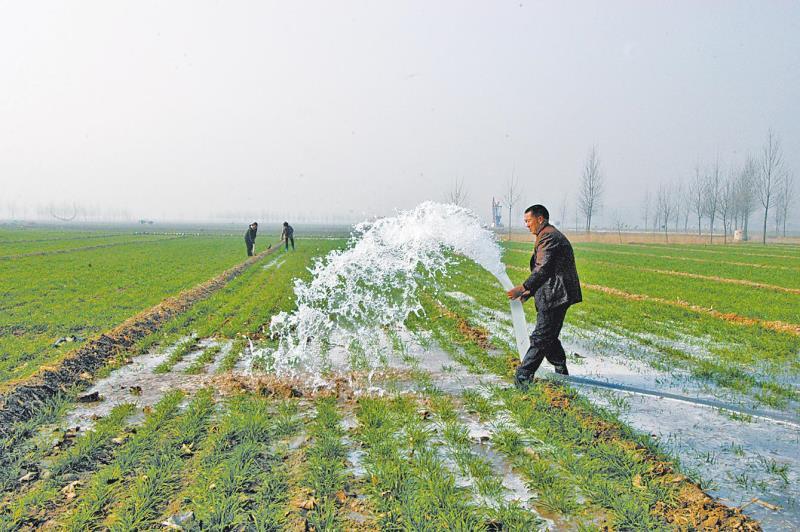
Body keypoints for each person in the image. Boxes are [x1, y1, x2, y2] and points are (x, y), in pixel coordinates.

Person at [507, 204, 582, 389]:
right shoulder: (547, 234)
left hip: (556, 295)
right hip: (555, 293)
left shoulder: (548, 236)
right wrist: (530, 292)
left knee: (541, 337)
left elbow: (543, 268)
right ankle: (561, 371)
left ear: (540, 219)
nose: (526, 225)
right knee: (550, 336)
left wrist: (522, 287)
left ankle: (522, 378)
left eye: (528, 220)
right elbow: (548, 270)